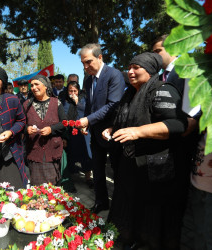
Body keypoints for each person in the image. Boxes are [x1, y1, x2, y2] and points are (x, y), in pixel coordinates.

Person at [105, 52, 187, 249]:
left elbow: (178, 124)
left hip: (152, 169)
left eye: (136, 67)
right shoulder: (129, 94)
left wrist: (139, 132)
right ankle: (128, 238)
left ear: (150, 70)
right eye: (129, 67)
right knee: (127, 210)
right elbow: (127, 121)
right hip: (129, 165)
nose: (130, 71)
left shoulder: (161, 90)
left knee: (150, 218)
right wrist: (112, 130)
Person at [77, 43, 125, 214]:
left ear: (100, 57)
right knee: (97, 170)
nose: (85, 66)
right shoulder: (88, 79)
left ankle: (120, 208)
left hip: (112, 132)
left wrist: (87, 120)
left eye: (88, 62)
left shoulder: (114, 75)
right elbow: (90, 104)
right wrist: (87, 125)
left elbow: (113, 105)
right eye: (83, 63)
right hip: (95, 133)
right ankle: (101, 202)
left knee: (118, 173)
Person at [23, 75, 67, 186]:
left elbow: (64, 123)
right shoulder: (26, 105)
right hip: (34, 151)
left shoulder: (56, 103)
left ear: (46, 86)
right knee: (37, 186)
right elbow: (20, 124)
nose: (33, 87)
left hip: (52, 150)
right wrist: (26, 129)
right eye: (32, 85)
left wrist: (51, 129)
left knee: (53, 186)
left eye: (37, 84)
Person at [62, 81, 93, 189]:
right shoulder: (65, 101)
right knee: (71, 154)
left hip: (83, 133)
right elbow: (62, 117)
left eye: (75, 91)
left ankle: (88, 178)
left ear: (78, 91)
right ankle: (71, 178)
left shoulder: (83, 99)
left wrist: (78, 103)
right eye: (71, 90)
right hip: (70, 133)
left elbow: (89, 113)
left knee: (86, 155)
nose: (73, 93)